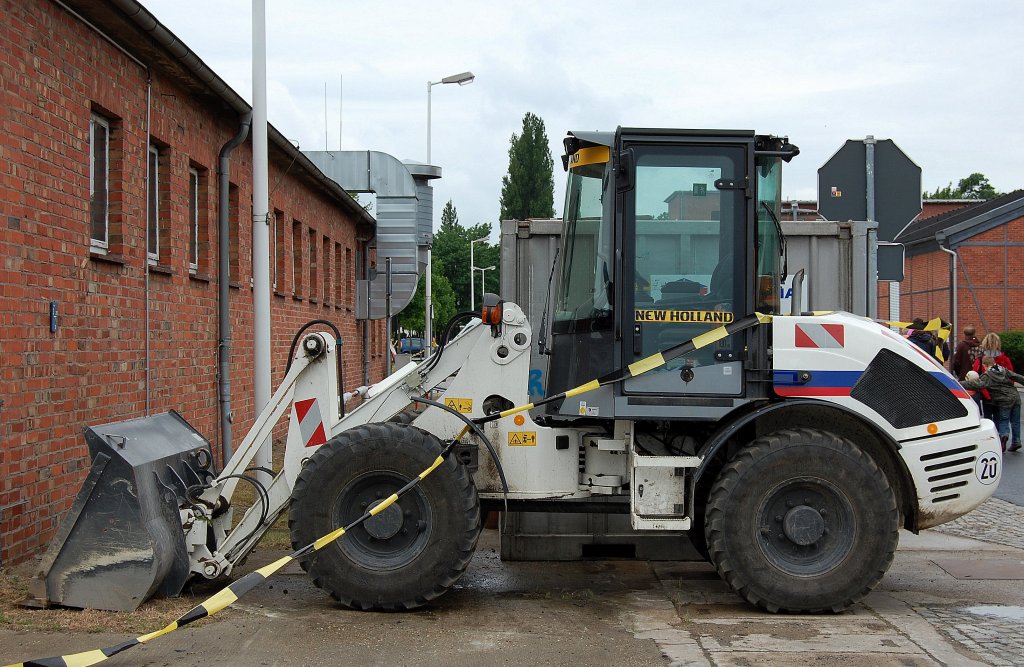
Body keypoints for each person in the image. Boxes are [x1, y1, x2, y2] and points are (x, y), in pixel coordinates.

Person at [961, 356, 1023, 452]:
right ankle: (1016, 441)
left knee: (1004, 420)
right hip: (1016, 397)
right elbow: (1017, 377)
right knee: (1015, 421)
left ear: (984, 365)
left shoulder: (987, 375)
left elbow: (977, 384)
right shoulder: (1003, 370)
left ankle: (1004, 436)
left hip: (1004, 400)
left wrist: (959, 383)